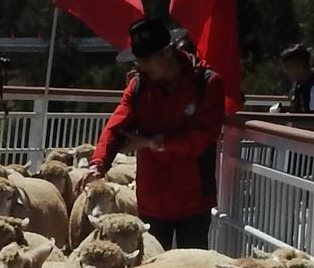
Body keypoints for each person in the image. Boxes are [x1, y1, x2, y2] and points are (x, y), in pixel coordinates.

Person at [83, 15, 225, 249]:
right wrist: (98, 163)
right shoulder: (139, 85)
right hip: (153, 199)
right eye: (139, 62)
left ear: (168, 52)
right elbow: (117, 123)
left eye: (147, 60)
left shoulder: (207, 84)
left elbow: (201, 138)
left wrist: (151, 143)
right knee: (150, 267)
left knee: (192, 267)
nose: (142, 67)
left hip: (193, 196)